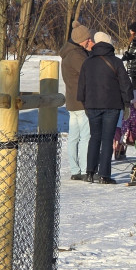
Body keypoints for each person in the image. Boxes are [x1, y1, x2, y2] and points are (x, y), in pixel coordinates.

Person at [76, 31, 132, 184]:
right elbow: (125, 84)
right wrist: (127, 103)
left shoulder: (87, 62)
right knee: (107, 139)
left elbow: (81, 85)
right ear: (109, 44)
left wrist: (84, 102)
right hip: (112, 105)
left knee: (94, 138)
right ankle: (104, 175)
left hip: (92, 105)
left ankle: (89, 172)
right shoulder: (116, 62)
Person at [59, 21, 95, 180]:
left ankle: (75, 170)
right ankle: (84, 169)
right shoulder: (77, 56)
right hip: (81, 102)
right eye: (88, 39)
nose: (90, 41)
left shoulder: (69, 53)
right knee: (85, 136)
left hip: (73, 101)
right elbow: (90, 74)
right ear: (82, 40)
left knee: (74, 137)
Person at [114, 90, 136, 160]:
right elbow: (125, 122)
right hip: (130, 134)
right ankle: (120, 150)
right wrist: (124, 133)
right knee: (117, 131)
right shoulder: (129, 110)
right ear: (132, 102)